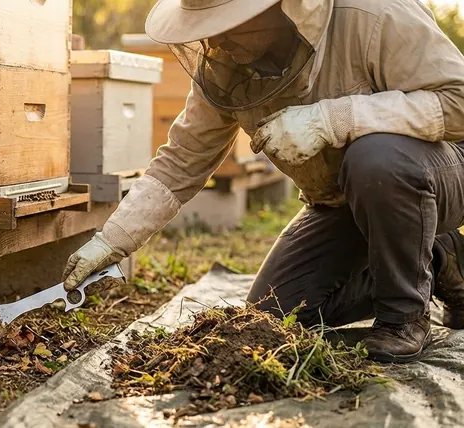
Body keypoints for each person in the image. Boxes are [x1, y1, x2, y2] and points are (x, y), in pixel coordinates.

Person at [61, 0, 464, 364]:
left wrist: (334, 119)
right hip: (339, 201)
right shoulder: (225, 65)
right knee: (273, 316)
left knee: (375, 157)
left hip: (437, 174)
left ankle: (402, 317)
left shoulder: (374, 13)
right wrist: (111, 240)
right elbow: (183, 158)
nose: (215, 41)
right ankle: (437, 256)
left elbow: (458, 102)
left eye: (226, 24)